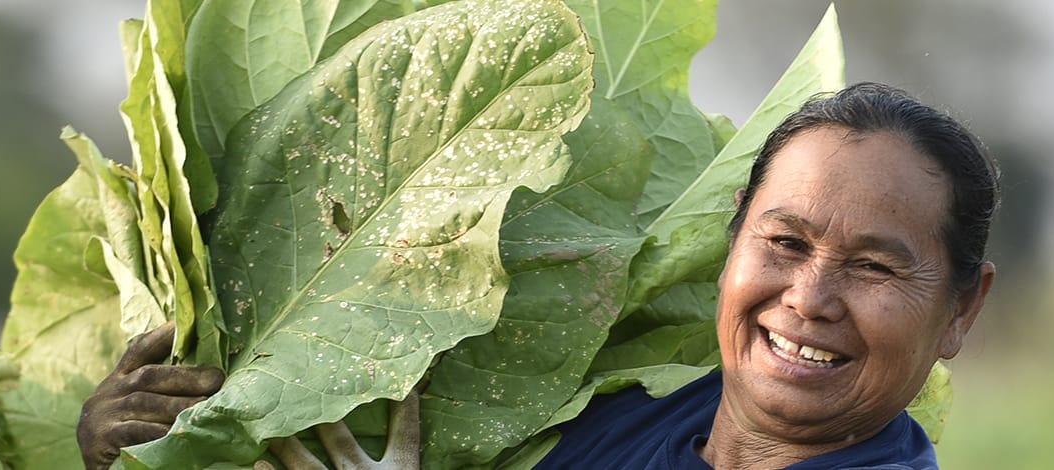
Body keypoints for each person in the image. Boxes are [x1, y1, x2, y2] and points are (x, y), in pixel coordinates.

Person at [78, 82, 1000, 469]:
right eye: (785, 244)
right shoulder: (612, 421)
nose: (809, 299)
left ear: (961, 311)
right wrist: (146, 451)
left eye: (874, 266)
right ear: (731, 244)